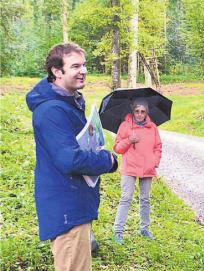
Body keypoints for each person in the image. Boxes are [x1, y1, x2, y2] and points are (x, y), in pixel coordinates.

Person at [26, 42, 118, 271]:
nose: (83, 70)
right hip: (66, 208)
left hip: (75, 204)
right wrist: (107, 160)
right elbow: (69, 159)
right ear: (57, 72)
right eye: (75, 66)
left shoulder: (68, 103)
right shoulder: (51, 111)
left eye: (84, 65)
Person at [112, 99, 163, 244]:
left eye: (143, 111)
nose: (140, 114)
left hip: (147, 168)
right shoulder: (125, 126)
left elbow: (158, 147)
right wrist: (129, 140)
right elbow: (117, 148)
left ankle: (144, 228)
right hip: (129, 168)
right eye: (137, 111)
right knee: (126, 198)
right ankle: (118, 231)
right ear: (132, 111)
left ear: (147, 112)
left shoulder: (152, 127)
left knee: (145, 199)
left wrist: (154, 162)